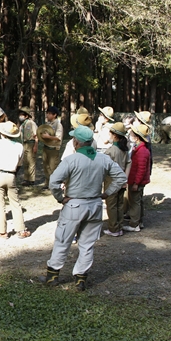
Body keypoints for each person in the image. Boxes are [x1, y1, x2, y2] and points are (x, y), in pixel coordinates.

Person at [39, 125, 126, 291]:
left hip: (74, 205)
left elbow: (54, 181)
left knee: (63, 240)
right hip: (94, 205)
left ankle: (52, 276)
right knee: (87, 244)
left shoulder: (71, 160)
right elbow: (121, 177)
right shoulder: (103, 158)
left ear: (75, 142)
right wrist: (107, 193)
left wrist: (60, 198)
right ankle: (81, 279)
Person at [0, 121, 31, 239]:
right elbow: (19, 164)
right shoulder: (19, 146)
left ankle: (2, 232)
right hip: (11, 175)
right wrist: (13, 175)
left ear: (2, 133)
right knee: (15, 203)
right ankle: (21, 230)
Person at [103, 123, 132, 237]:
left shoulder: (111, 151)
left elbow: (104, 167)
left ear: (115, 135)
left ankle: (113, 229)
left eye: (110, 133)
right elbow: (129, 164)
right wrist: (125, 179)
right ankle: (119, 227)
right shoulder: (125, 149)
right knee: (120, 204)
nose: (109, 135)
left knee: (111, 205)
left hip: (112, 180)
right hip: (122, 180)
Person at [123, 123, 152, 232]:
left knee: (135, 202)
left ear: (137, 137)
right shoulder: (139, 148)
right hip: (137, 180)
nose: (130, 135)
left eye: (132, 134)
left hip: (137, 181)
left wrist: (136, 183)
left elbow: (141, 169)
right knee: (138, 201)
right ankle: (139, 221)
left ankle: (134, 224)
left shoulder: (142, 151)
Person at [38, 106, 63, 190]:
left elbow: (58, 137)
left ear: (54, 115)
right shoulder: (48, 124)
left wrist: (48, 137)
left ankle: (54, 185)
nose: (47, 115)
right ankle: (47, 183)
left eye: (49, 114)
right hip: (46, 147)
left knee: (53, 167)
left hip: (53, 149)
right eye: (47, 113)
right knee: (46, 166)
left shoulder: (58, 124)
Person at [18, 107, 38, 186]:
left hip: (31, 143)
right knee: (25, 162)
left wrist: (35, 145)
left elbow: (36, 135)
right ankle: (26, 179)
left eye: (22, 115)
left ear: (26, 116)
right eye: (20, 115)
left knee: (31, 162)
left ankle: (31, 180)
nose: (20, 116)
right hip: (24, 144)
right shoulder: (22, 125)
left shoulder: (31, 123)